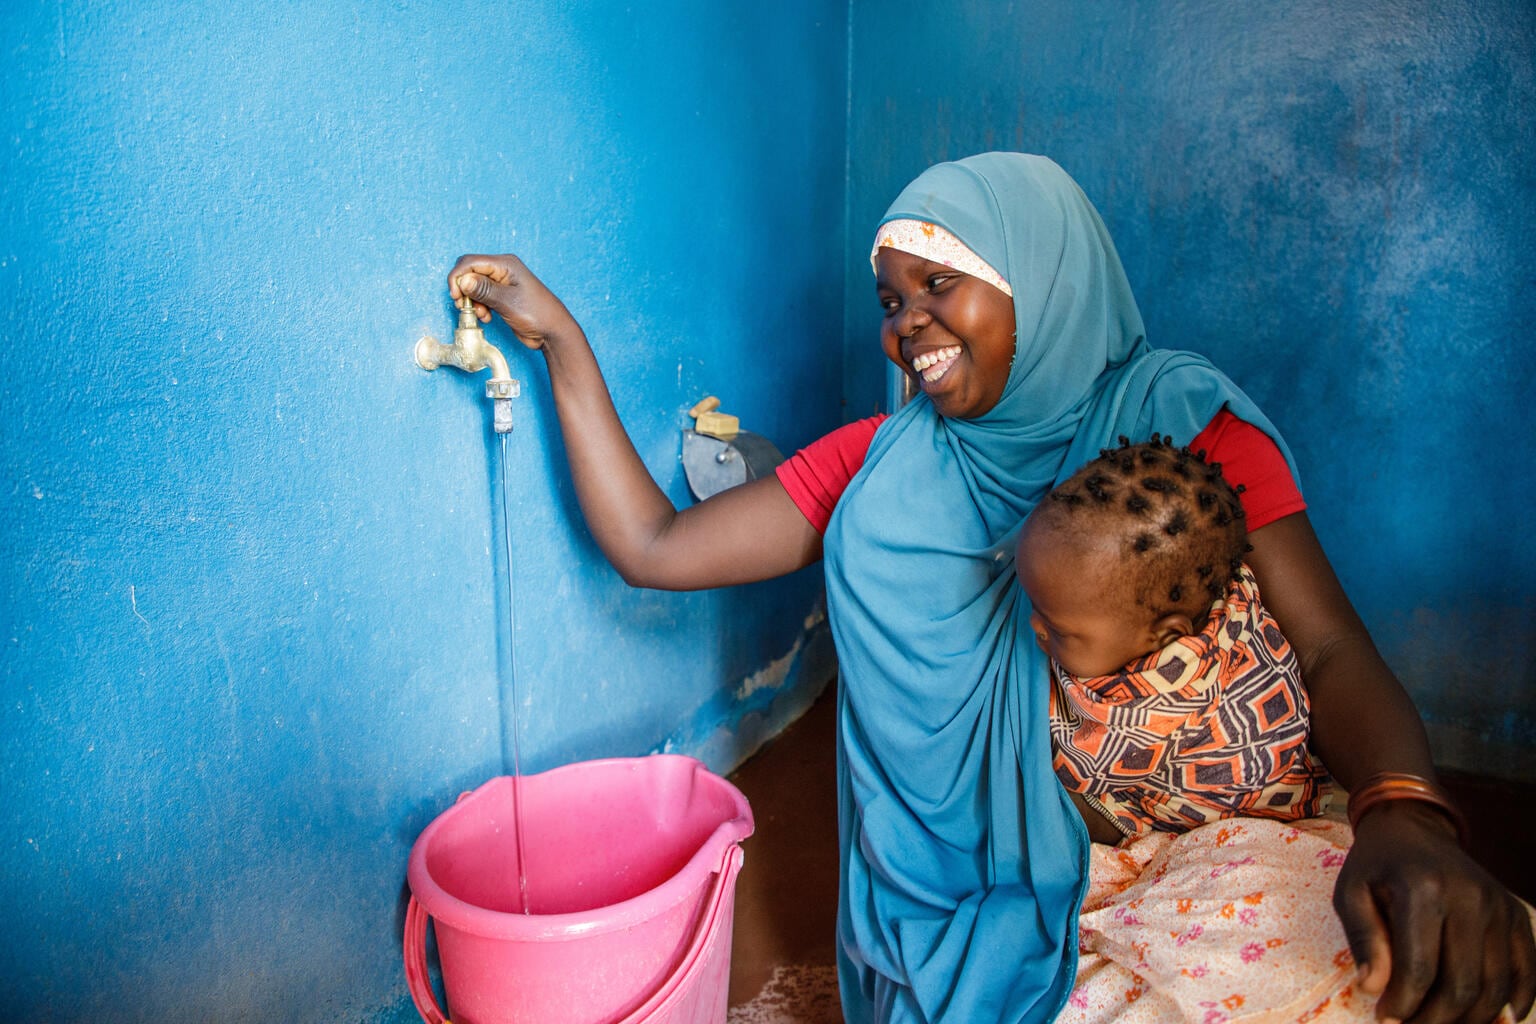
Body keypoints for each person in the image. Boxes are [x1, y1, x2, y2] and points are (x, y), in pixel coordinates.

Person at [447, 152, 1535, 1024]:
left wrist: (1405, 813)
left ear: (1041, 273)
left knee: (1418, 973)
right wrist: (564, 345)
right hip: (1014, 887)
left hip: (1236, 827)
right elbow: (654, 545)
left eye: (939, 283)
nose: (905, 322)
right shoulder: (883, 470)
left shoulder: (1178, 424)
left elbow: (1331, 647)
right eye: (889, 298)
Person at [1018, 436, 1332, 840]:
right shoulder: (1216, 591)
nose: (1034, 626)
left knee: (1047, 806)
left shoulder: (1146, 715)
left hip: (1228, 808)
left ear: (1164, 635)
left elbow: (1070, 763)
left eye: (1059, 630)